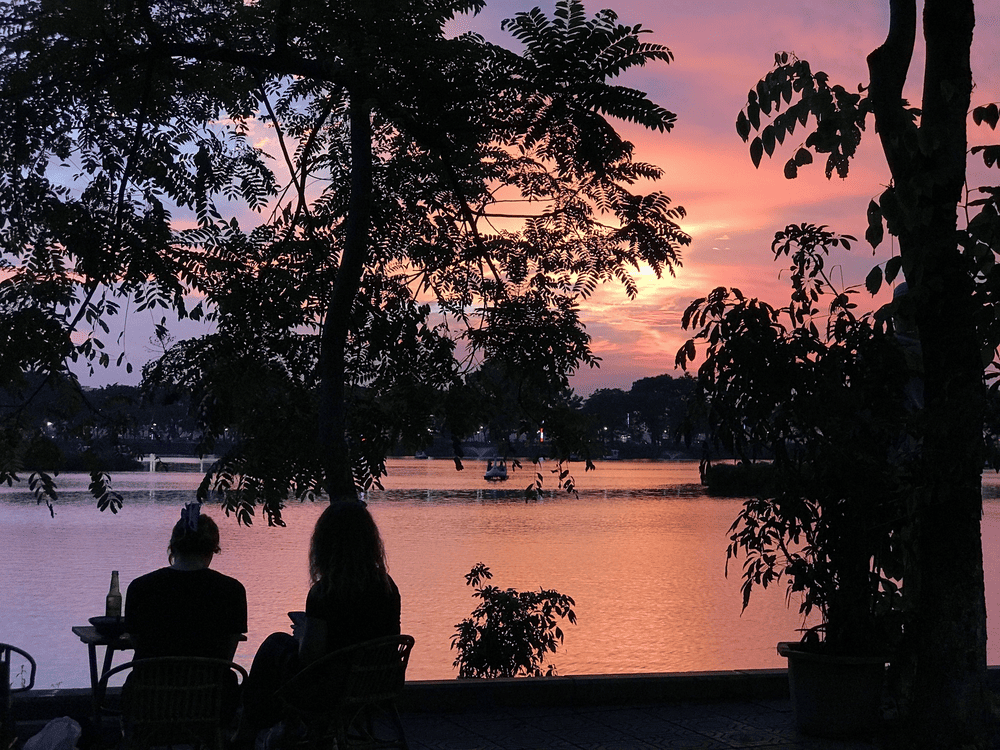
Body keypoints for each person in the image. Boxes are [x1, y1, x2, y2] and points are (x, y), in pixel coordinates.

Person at [235, 499, 400, 745]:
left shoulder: (324, 593)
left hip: (330, 688)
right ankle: (282, 729)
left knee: (274, 648)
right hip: (377, 682)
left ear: (325, 544)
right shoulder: (387, 586)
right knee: (278, 646)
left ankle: (249, 734)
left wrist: (303, 635)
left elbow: (310, 658)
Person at [125, 503, 248, 660]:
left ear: (173, 547)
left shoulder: (140, 587)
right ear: (212, 549)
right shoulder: (232, 590)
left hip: (149, 682)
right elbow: (227, 653)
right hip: (213, 682)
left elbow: (139, 646)